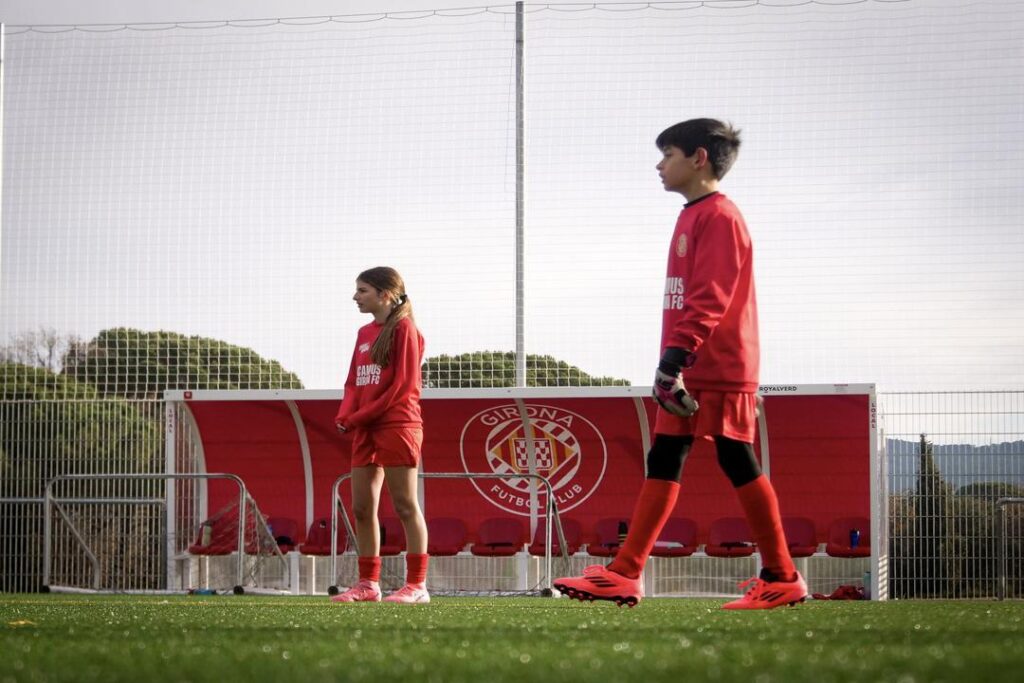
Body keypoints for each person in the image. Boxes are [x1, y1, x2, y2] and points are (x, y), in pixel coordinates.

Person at [554, 119, 807, 609]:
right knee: (665, 456)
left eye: (667, 153)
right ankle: (626, 573)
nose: (658, 164)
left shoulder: (721, 217)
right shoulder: (691, 215)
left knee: (735, 457)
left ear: (699, 159)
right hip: (690, 364)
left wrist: (674, 358)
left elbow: (711, 295)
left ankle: (781, 575)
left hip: (717, 364)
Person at [331, 266, 430, 604]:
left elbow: (402, 387)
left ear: (385, 294)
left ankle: (417, 586)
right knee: (362, 507)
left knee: (404, 503)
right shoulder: (363, 333)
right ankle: (368, 584)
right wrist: (347, 414)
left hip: (398, 424)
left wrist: (359, 416)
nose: (356, 297)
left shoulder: (405, 329)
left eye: (363, 291)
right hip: (366, 427)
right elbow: (353, 382)